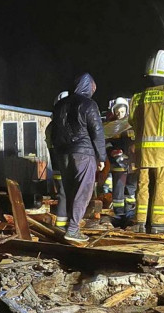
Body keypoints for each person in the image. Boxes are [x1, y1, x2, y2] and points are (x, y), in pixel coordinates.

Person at [128, 50, 164, 233]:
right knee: (163, 186)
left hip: (143, 152)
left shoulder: (138, 96)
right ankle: (158, 225)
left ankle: (139, 222)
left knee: (143, 187)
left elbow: (132, 121)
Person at [50, 73, 106, 243]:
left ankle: (69, 226)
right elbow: (97, 131)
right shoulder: (88, 104)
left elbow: (53, 133)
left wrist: (58, 154)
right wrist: (101, 156)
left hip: (63, 154)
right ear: (90, 88)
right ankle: (73, 230)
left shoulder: (60, 105)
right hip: (83, 153)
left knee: (70, 191)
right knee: (83, 192)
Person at [104, 97, 137, 220]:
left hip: (132, 164)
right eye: (117, 112)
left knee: (131, 190)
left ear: (127, 110)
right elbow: (106, 142)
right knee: (118, 191)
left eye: (122, 111)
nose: (119, 114)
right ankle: (118, 214)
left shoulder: (133, 124)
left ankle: (130, 213)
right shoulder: (110, 126)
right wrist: (112, 151)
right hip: (118, 164)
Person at [45, 91, 69, 230]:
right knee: (66, 195)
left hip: (58, 168)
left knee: (63, 195)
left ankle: (63, 226)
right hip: (65, 168)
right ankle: (65, 227)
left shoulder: (52, 126)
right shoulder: (61, 126)